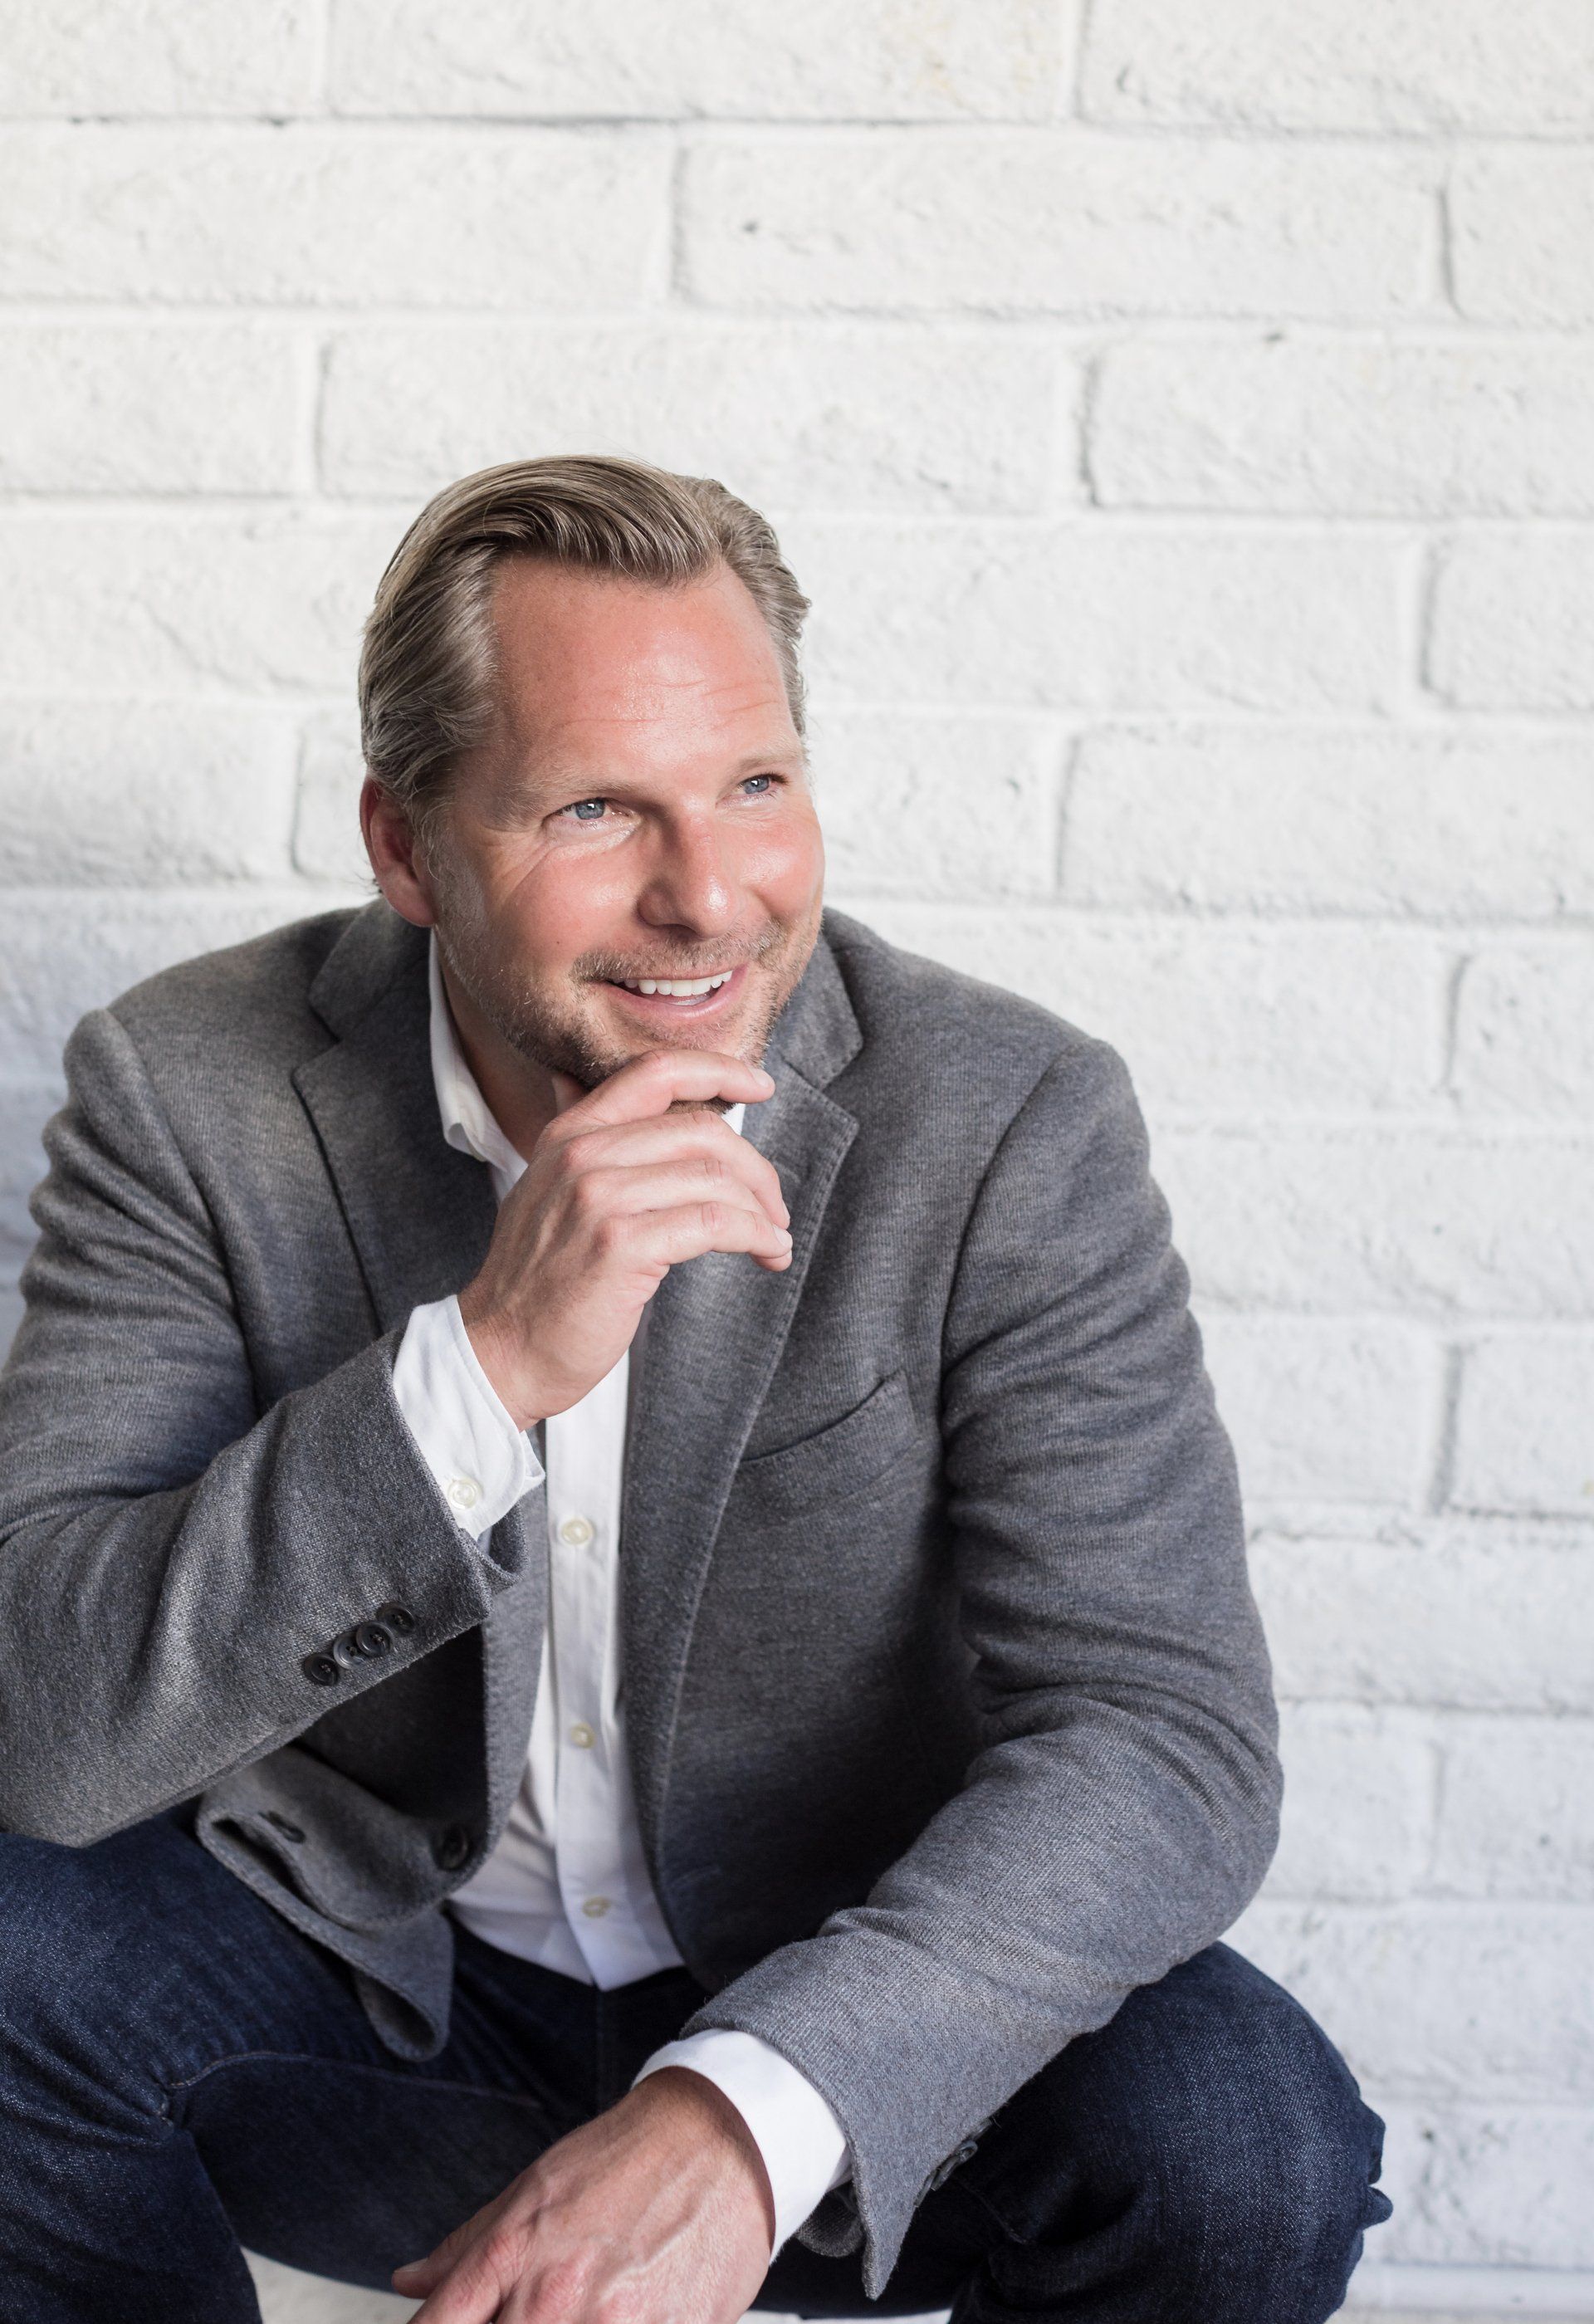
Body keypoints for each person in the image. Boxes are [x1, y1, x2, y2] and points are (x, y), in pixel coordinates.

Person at [0, 456, 1391, 2324]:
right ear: (407, 848)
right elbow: (49, 1723)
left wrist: (746, 2112)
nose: (711, 894)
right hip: (364, 1993)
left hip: (836, 1993)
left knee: (1247, 2141)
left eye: (757, 783)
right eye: (596, 806)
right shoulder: (191, 1091)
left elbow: (1165, 1733)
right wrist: (478, 1371)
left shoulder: (1003, 1124)